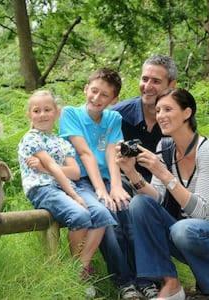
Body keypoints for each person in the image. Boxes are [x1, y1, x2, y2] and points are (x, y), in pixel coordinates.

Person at [116, 88, 209, 300]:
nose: (160, 115)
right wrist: (131, 172)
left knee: (182, 228)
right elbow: (157, 199)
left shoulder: (208, 149)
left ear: (187, 113)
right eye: (158, 110)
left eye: (168, 109)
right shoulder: (165, 146)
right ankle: (170, 281)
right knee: (140, 204)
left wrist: (162, 172)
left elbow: (200, 211)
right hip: (188, 233)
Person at [59, 68, 151, 299]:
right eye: (94, 91)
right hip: (82, 182)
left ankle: (146, 280)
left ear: (114, 100)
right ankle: (124, 283)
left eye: (104, 95)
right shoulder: (71, 114)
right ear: (86, 89)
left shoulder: (113, 118)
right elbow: (85, 153)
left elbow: (113, 153)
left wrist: (116, 186)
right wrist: (102, 191)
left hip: (109, 179)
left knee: (129, 217)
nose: (97, 98)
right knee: (110, 226)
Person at [17, 90, 117, 278]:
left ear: (56, 112)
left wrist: (45, 168)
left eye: (47, 109)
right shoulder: (31, 138)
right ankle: (78, 272)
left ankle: (79, 267)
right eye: (36, 111)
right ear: (29, 114)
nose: (42, 115)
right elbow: (56, 167)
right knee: (79, 215)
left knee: (102, 214)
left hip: (68, 186)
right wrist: (75, 196)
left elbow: (75, 172)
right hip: (44, 189)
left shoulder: (60, 141)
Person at [112, 54, 176, 182]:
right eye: (145, 79)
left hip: (166, 188)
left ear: (172, 85)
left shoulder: (178, 118)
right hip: (123, 185)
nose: (147, 86)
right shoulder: (118, 115)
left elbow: (194, 149)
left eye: (156, 81)